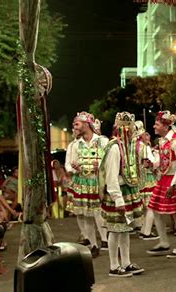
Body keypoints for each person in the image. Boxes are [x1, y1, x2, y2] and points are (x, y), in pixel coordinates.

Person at [100, 111, 144, 277]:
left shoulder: (128, 146)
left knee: (125, 230)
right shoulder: (114, 148)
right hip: (118, 193)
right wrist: (118, 200)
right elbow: (111, 176)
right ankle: (113, 265)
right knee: (116, 230)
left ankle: (125, 263)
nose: (134, 131)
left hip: (128, 191)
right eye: (132, 128)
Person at [65, 112, 108, 257]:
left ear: (86, 124)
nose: (74, 127)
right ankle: (93, 244)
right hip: (82, 181)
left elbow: (111, 159)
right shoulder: (76, 145)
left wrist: (101, 166)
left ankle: (106, 239)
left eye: (77, 124)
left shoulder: (102, 141)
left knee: (99, 212)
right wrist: (74, 168)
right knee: (86, 214)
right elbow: (70, 164)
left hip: (98, 180)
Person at [147, 111, 176, 258]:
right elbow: (164, 161)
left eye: (157, 124)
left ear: (165, 126)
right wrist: (152, 164)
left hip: (173, 180)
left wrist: (175, 184)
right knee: (155, 210)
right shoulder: (163, 141)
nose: (154, 127)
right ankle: (164, 242)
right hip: (164, 178)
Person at [133, 121, 159, 241]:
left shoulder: (131, 146)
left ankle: (144, 229)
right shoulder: (144, 147)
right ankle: (147, 231)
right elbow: (153, 162)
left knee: (144, 206)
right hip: (147, 178)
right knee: (151, 206)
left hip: (136, 179)